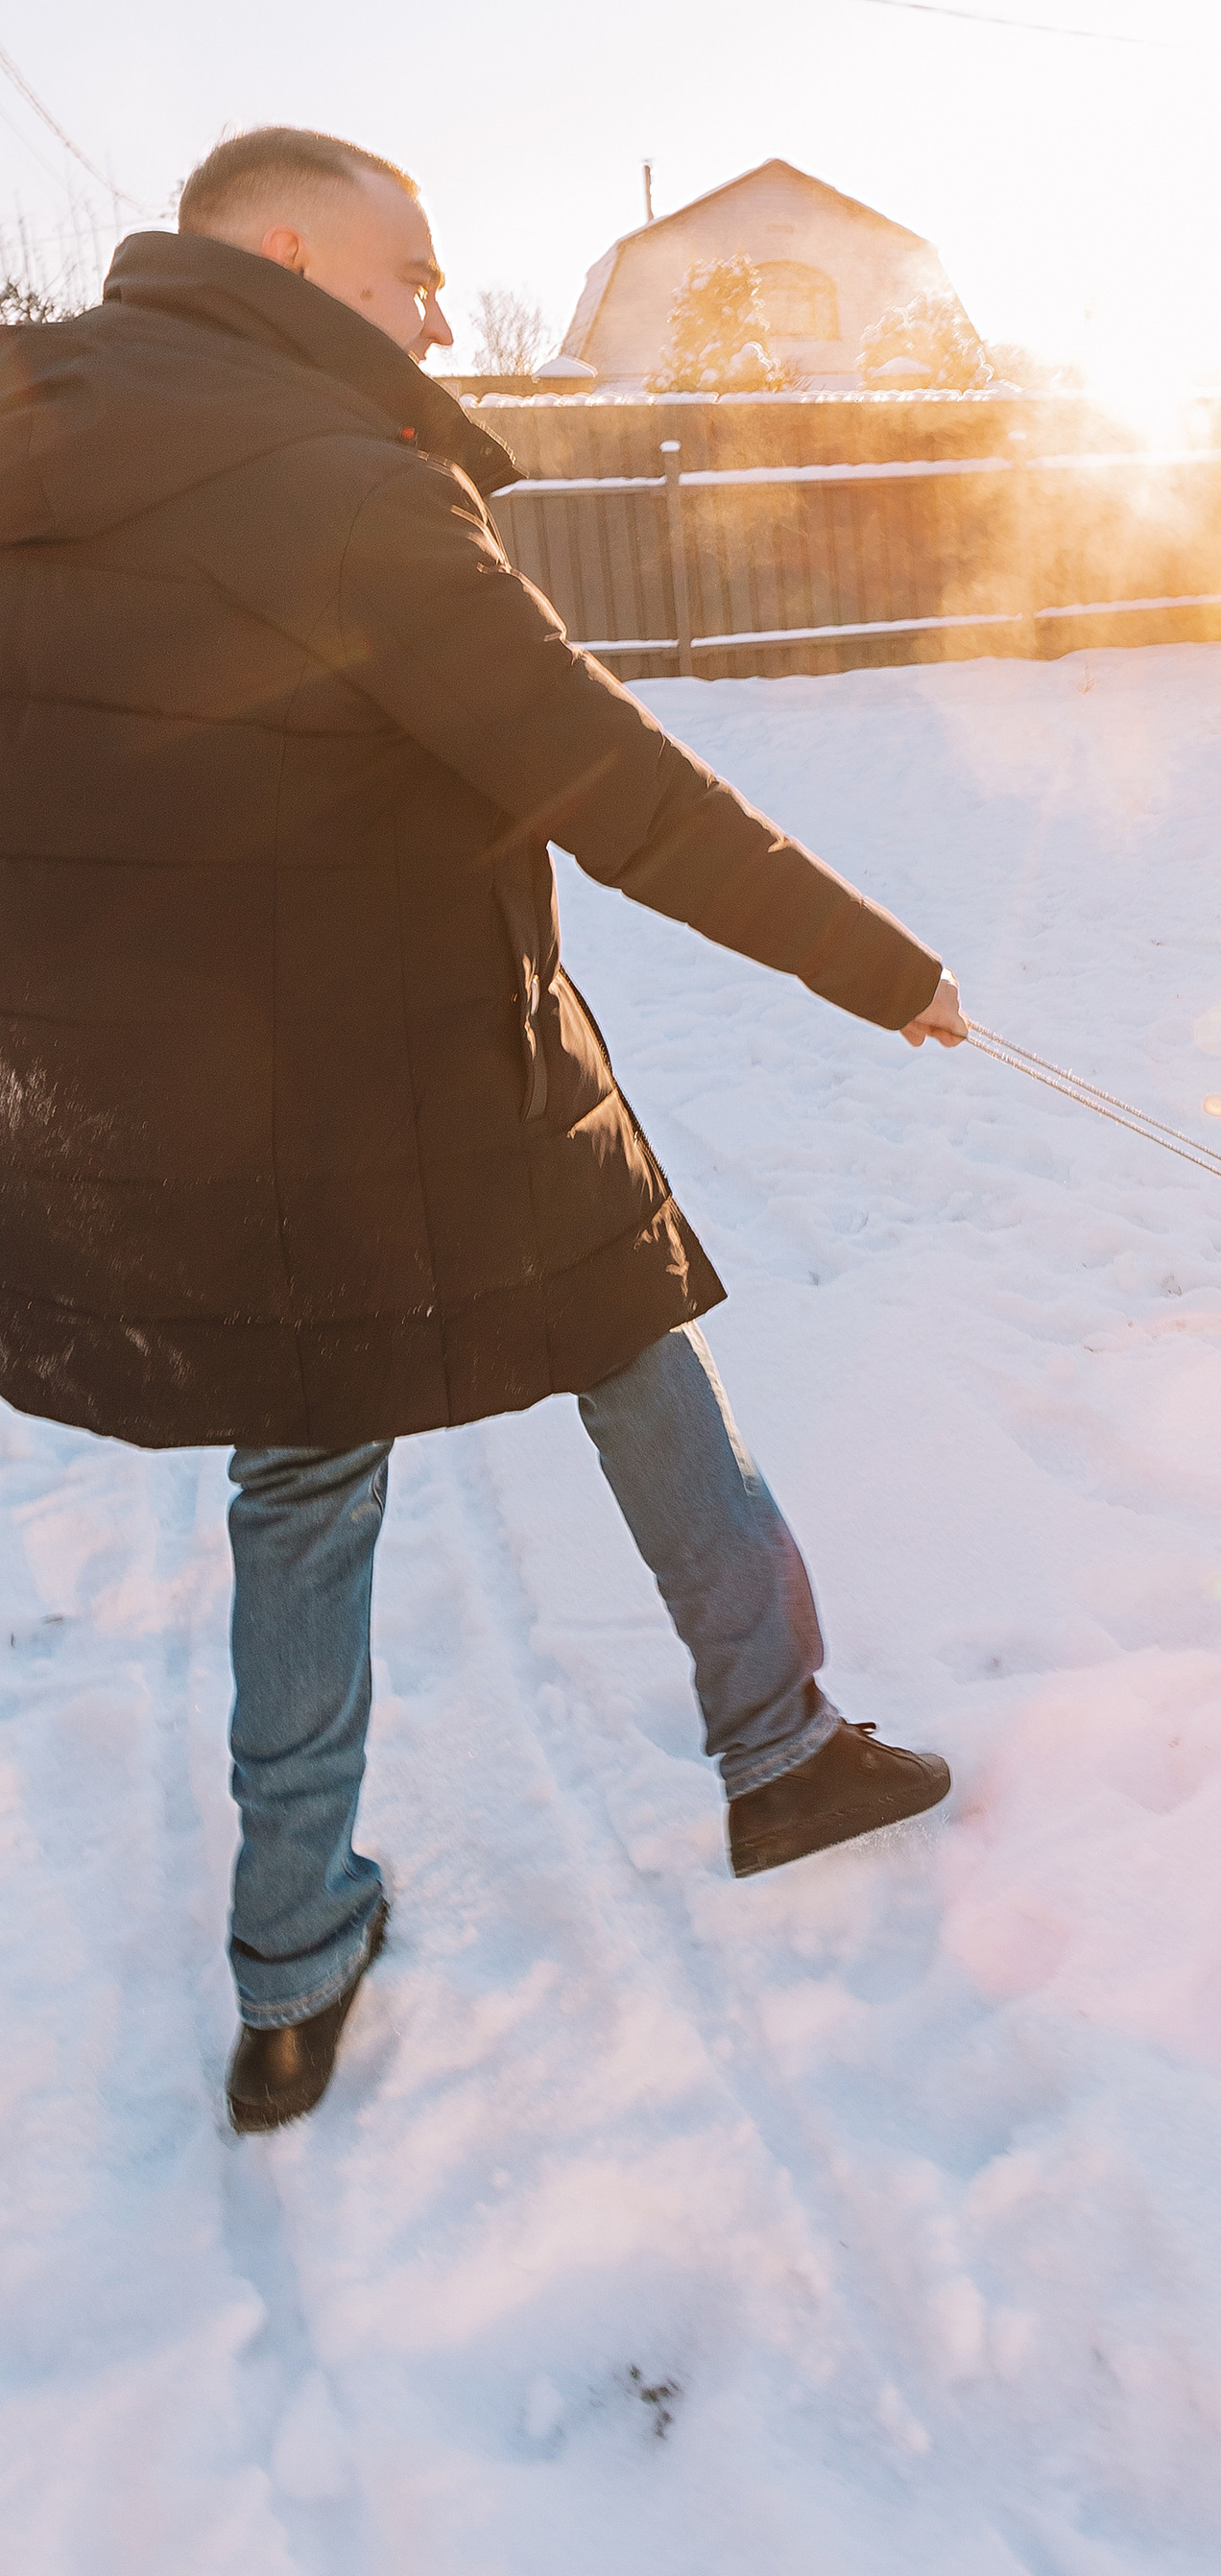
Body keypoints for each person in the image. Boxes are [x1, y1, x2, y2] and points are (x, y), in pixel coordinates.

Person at [0, 129, 970, 2135]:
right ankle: (777, 1753)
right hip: (428, 1067)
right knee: (633, 1355)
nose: (443, 312)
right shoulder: (328, 478)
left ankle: (290, 1969)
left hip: (182, 1105)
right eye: (411, 270)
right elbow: (609, 777)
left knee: (305, 1475)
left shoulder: (39, 452)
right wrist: (879, 966)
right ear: (284, 252)